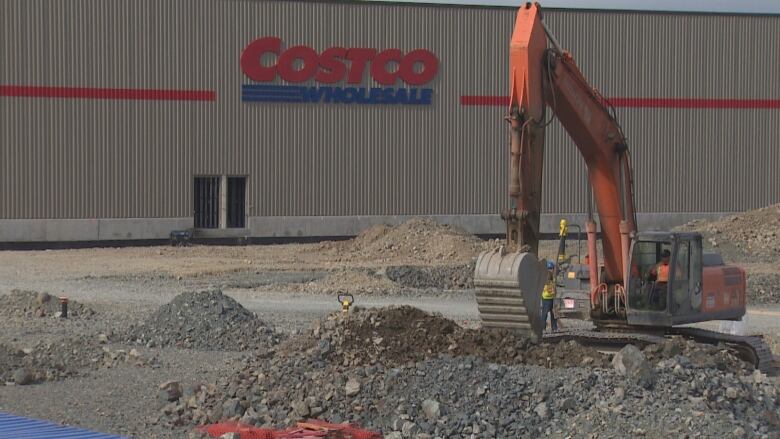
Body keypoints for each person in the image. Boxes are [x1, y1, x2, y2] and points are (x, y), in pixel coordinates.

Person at [541, 261, 558, 332]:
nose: (552, 270)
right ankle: (543, 328)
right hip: (546, 298)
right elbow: (548, 289)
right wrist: (553, 291)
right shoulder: (545, 277)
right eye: (551, 268)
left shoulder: (552, 278)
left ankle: (554, 328)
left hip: (552, 298)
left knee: (554, 313)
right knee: (545, 314)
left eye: (552, 268)